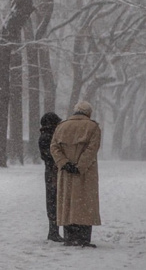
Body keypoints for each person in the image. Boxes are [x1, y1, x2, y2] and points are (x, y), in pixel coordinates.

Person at [50, 101, 101, 248]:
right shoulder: (93, 127)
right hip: (85, 173)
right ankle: (83, 237)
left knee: (67, 202)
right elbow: (92, 149)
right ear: (88, 113)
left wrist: (64, 163)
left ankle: (70, 236)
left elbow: (54, 147)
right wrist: (80, 166)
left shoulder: (61, 126)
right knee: (84, 203)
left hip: (66, 172)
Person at [38, 112, 64, 242]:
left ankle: (53, 231)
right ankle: (54, 232)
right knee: (54, 200)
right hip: (53, 171)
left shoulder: (44, 135)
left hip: (50, 171)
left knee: (52, 200)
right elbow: (49, 155)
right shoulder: (50, 136)